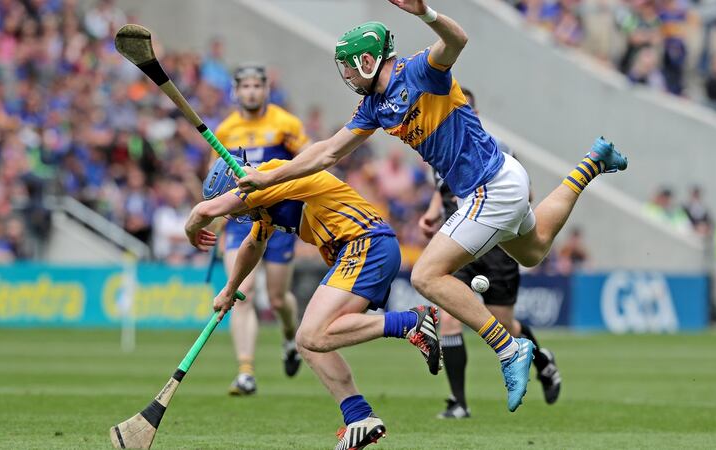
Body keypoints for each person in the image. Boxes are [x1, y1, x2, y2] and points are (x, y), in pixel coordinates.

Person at [236, 0, 628, 413]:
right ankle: (593, 163)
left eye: (349, 67)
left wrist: (425, 13)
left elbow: (458, 40)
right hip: (494, 184)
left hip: (490, 185)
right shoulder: (373, 107)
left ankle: (510, 350)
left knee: (425, 275)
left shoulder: (420, 69)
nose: (347, 76)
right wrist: (268, 177)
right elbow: (328, 152)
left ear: (368, 60)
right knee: (536, 248)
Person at [185, 156, 441, 449]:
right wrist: (230, 289)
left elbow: (203, 212)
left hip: (365, 244)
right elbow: (252, 245)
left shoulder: (271, 176)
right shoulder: (267, 202)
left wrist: (191, 230)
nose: (236, 212)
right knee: (309, 341)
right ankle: (359, 418)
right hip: (363, 249)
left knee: (311, 334)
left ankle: (411, 322)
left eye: (231, 198)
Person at [418, 87, 561, 419]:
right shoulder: (440, 148)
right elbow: (444, 191)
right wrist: (431, 212)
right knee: (450, 320)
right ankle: (458, 403)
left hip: (496, 247)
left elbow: (525, 194)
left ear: (475, 115)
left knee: (504, 324)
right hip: (460, 244)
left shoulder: (497, 147)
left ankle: (544, 363)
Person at [210, 64, 310, 395]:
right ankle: (246, 372)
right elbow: (217, 183)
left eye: (257, 85)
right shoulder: (225, 131)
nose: (251, 91)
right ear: (236, 92)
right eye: (245, 86)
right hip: (240, 222)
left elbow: (308, 162)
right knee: (243, 293)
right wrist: (213, 221)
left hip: (279, 218)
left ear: (266, 89)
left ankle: (288, 339)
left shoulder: (286, 124)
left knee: (279, 298)